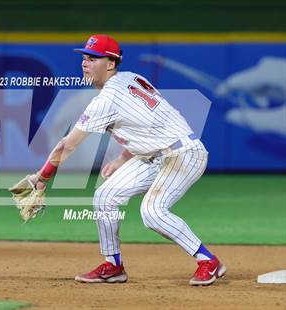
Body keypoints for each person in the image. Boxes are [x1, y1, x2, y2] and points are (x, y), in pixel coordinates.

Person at [27, 34, 226, 286]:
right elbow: (147, 126)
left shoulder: (106, 100)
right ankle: (113, 265)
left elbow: (67, 145)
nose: (85, 64)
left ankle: (208, 261)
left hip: (183, 154)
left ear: (110, 64)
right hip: (155, 155)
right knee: (105, 197)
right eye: (84, 58)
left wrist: (42, 178)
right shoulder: (130, 77)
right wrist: (123, 158)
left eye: (93, 58)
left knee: (152, 212)